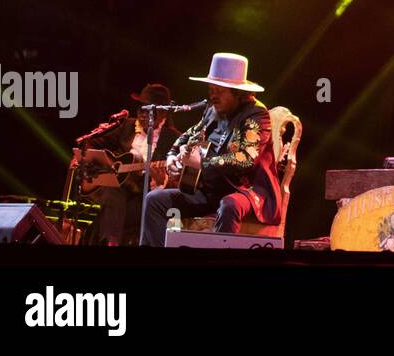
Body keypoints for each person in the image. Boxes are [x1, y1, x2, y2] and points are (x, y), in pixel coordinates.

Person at [140, 53, 281, 246]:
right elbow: (187, 136)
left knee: (229, 205)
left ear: (236, 92)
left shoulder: (256, 114)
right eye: (210, 89)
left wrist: (203, 163)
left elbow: (246, 159)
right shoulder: (214, 110)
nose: (212, 95)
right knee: (155, 200)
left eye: (219, 90)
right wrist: (172, 155)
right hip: (212, 191)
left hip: (246, 191)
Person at [84, 83, 180, 246]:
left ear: (163, 113)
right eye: (140, 108)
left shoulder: (174, 140)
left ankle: (104, 241)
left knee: (107, 215)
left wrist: (161, 181)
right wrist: (85, 158)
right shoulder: (126, 126)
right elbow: (93, 143)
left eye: (148, 110)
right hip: (118, 191)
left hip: (144, 196)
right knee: (113, 190)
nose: (142, 114)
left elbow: (176, 183)